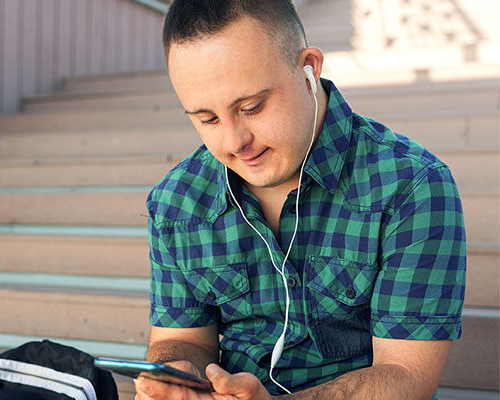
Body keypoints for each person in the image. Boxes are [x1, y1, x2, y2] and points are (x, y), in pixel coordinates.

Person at [136, 1, 466, 399]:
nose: (233, 141)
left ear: (308, 67)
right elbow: (183, 340)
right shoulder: (176, 202)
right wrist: (174, 374)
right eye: (207, 119)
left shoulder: (412, 187)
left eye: (251, 107)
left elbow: (405, 376)